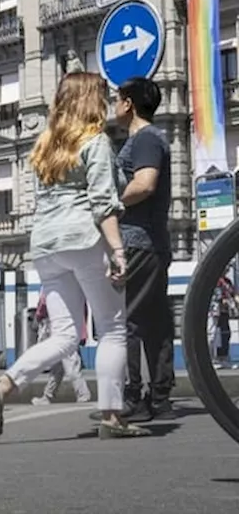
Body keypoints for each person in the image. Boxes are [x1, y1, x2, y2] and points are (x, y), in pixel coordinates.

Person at [0, 72, 148, 439]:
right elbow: (103, 203)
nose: (105, 103)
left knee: (65, 336)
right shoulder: (95, 141)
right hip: (83, 239)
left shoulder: (44, 145)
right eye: (101, 97)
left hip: (45, 247)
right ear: (90, 101)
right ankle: (112, 417)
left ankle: (4, 386)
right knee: (112, 328)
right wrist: (118, 250)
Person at [111, 77, 175, 422]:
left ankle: (134, 397)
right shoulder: (148, 139)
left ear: (129, 104)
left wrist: (109, 204)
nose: (114, 105)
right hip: (151, 242)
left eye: (117, 99)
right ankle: (161, 397)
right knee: (155, 321)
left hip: (139, 241)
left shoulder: (146, 139)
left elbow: (145, 183)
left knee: (132, 321)